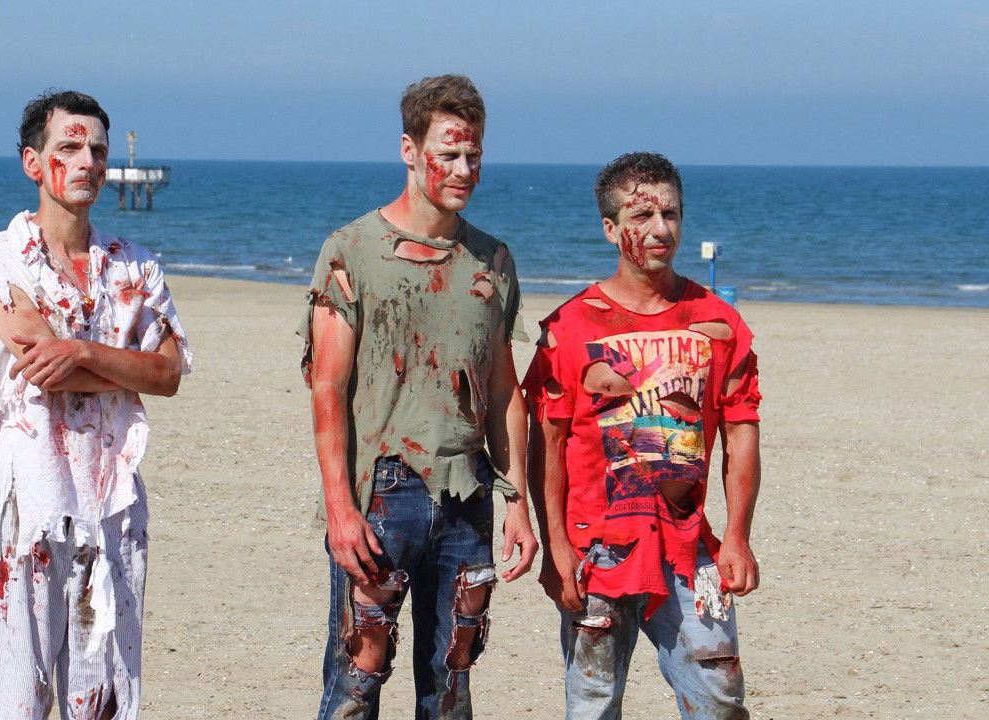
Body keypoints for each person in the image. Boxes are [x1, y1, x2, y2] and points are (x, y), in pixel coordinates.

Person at [0, 89, 192, 720]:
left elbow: (168, 374)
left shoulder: (134, 266)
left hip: (111, 506)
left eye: (98, 151)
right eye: (70, 148)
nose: (88, 162)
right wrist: (122, 365)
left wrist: (82, 349)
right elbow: (44, 368)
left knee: (102, 699)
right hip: (23, 504)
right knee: (10, 700)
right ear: (33, 162)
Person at [299, 74, 538, 719]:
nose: (463, 170)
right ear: (409, 150)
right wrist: (339, 509)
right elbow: (327, 387)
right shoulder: (352, 251)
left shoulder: (492, 261)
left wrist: (517, 503)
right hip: (382, 492)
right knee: (356, 678)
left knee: (451, 682)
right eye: (448, 154)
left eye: (474, 156)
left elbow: (503, 390)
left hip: (468, 497)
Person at [522, 152, 762, 719]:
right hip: (595, 548)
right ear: (611, 229)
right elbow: (546, 446)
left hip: (689, 544)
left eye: (670, 214)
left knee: (720, 693)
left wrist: (738, 536)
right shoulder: (569, 328)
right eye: (641, 216)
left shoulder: (720, 323)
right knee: (594, 700)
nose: (660, 229)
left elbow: (741, 435)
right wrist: (556, 547)